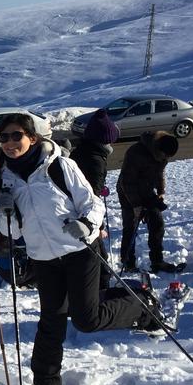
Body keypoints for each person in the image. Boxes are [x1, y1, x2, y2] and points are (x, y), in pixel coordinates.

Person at [0, 113, 162, 385]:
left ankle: (142, 305)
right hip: (43, 258)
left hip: (80, 251)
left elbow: (91, 202)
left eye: (16, 135)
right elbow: (13, 232)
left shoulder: (60, 165)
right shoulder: (6, 177)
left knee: (87, 319)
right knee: (52, 319)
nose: (9, 143)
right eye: (4, 138)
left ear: (32, 137)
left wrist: (88, 223)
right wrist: (5, 214)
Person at [116, 130, 181, 274]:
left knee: (157, 222)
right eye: (164, 155)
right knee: (131, 227)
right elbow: (127, 182)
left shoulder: (163, 154)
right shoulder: (136, 153)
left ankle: (157, 260)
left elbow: (160, 172)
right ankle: (128, 263)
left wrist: (161, 190)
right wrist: (136, 205)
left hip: (147, 190)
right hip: (128, 193)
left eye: (167, 157)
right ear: (158, 149)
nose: (165, 158)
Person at [71, 109, 118, 287]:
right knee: (100, 262)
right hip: (85, 218)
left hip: (77, 215)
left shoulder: (82, 151)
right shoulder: (96, 160)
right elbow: (92, 197)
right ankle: (100, 296)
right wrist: (98, 226)